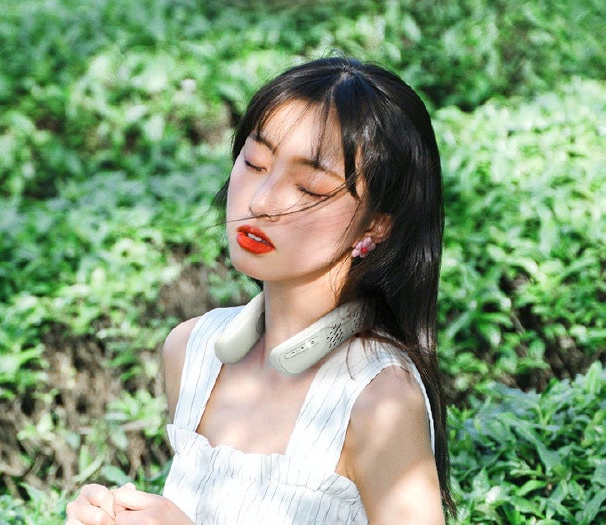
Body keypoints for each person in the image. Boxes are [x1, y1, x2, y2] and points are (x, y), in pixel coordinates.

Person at [65, 56, 452, 524]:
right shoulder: (192, 351)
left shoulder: (379, 398)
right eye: (254, 163)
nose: (261, 201)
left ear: (376, 225)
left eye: (309, 187)